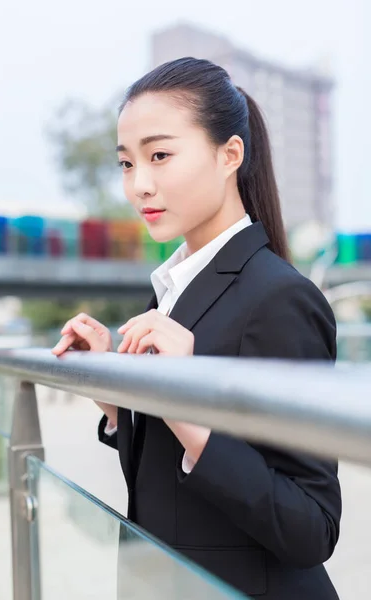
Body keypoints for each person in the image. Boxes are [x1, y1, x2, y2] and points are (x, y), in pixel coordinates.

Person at [52, 57, 341, 599]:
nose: (140, 184)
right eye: (126, 164)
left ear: (230, 154)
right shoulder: (171, 287)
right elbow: (171, 487)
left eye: (160, 155)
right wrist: (118, 399)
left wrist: (187, 410)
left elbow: (313, 528)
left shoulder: (279, 297)